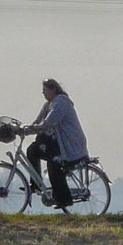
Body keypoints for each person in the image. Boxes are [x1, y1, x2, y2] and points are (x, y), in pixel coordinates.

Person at [24, 79, 89, 209]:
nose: (43, 93)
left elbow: (49, 122)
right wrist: (26, 130)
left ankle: (64, 199)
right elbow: (38, 121)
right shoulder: (48, 105)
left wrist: (34, 128)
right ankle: (36, 185)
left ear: (53, 89)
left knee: (54, 164)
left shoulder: (61, 102)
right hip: (57, 143)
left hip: (69, 144)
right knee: (32, 150)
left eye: (45, 90)